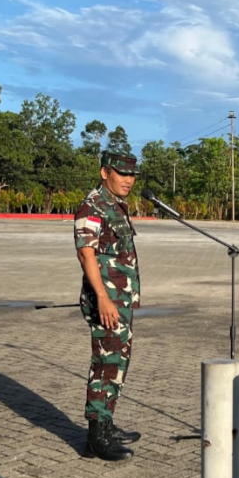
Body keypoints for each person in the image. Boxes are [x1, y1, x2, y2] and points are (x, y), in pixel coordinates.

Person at [74, 152, 143, 461]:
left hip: (120, 299)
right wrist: (102, 297)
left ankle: (106, 423)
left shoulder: (115, 206)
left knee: (117, 361)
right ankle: (95, 438)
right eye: (121, 173)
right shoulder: (92, 206)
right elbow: (86, 254)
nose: (128, 179)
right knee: (106, 363)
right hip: (106, 300)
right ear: (105, 173)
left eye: (132, 175)